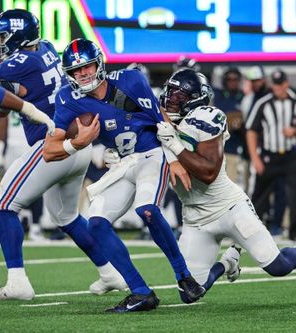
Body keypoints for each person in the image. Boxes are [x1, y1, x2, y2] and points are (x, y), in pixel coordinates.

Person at [43, 38, 205, 312]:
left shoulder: (131, 80)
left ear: (99, 64)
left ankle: (184, 277)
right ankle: (140, 292)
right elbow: (50, 150)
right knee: (96, 223)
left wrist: (175, 160)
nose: (82, 74)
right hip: (124, 163)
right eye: (75, 70)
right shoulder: (67, 97)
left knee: (147, 210)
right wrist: (78, 144)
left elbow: (161, 120)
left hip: (152, 154)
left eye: (87, 66)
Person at [0, 9, 125, 301]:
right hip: (78, 146)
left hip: (52, 146)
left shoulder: (13, 67)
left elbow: (1, 106)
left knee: (2, 206)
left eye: (4, 36)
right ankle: (110, 273)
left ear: (18, 37)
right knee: (67, 217)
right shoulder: (45, 48)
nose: (0, 42)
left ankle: (18, 281)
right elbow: (16, 67)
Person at [156, 68, 296, 291]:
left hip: (228, 207)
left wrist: (174, 144)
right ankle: (228, 262)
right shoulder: (159, 122)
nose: (170, 101)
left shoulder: (206, 117)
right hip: (195, 218)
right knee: (190, 292)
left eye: (178, 96)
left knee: (278, 266)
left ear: (195, 99)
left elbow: (208, 173)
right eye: (170, 93)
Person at [245, 69, 296, 241]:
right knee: (259, 196)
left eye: (280, 84)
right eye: (275, 84)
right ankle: (252, 233)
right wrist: (255, 158)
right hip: (268, 156)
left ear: (286, 84)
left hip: (290, 156)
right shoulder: (263, 103)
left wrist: (295, 131)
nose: (278, 88)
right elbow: (251, 131)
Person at [213, 67, 244, 184]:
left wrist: (240, 124)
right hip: (215, 150)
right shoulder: (217, 96)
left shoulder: (243, 97)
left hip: (234, 148)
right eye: (229, 79)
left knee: (232, 185)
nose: (232, 82)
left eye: (235, 79)